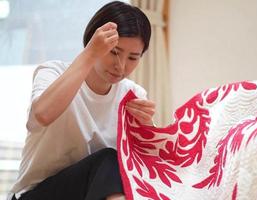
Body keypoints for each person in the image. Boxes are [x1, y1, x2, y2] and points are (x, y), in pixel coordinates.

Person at [9, 1, 154, 200]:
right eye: (114, 52)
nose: (121, 66)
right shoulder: (53, 73)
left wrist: (146, 131)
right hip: (36, 194)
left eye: (133, 58)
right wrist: (90, 53)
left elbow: (142, 168)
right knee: (109, 159)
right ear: (93, 42)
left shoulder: (133, 95)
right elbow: (42, 115)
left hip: (90, 195)